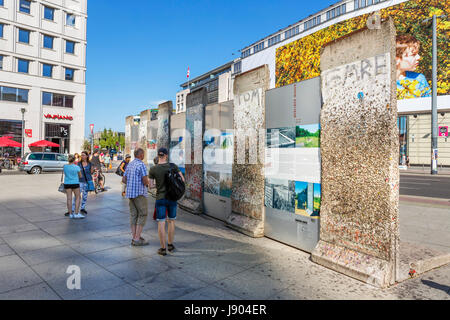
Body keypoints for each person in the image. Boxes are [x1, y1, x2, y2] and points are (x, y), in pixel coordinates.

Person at [149, 147, 185, 256]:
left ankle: (163, 248)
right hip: (172, 198)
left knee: (161, 222)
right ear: (166, 155)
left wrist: (158, 185)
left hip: (160, 198)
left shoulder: (153, 169)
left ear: (158, 155)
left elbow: (150, 186)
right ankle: (170, 244)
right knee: (171, 221)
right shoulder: (173, 166)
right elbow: (182, 180)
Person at [122, 148, 150, 246]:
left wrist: (131, 183)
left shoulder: (130, 164)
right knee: (143, 214)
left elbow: (124, 179)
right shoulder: (141, 164)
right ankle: (137, 238)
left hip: (130, 193)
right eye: (143, 154)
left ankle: (134, 237)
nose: (144, 156)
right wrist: (148, 184)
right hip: (139, 193)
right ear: (141, 155)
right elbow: (145, 180)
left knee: (134, 215)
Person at [396, 34, 431, 99]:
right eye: (413, 54)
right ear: (396, 59)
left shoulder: (419, 79)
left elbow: (429, 105)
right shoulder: (382, 83)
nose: (419, 57)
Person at [63, 154, 84, 219]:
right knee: (78, 197)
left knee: (69, 198)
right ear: (74, 160)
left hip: (67, 183)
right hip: (75, 183)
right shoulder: (77, 167)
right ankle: (76, 213)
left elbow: (65, 174)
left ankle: (70, 214)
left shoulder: (65, 166)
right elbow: (80, 176)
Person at [72, 151, 93, 216]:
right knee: (77, 196)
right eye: (82, 155)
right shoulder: (78, 163)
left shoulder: (90, 164)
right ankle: (73, 208)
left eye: (84, 155)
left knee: (85, 196)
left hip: (87, 181)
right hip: (79, 181)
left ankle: (82, 208)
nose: (82, 156)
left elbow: (91, 172)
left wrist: (93, 169)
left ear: (87, 156)